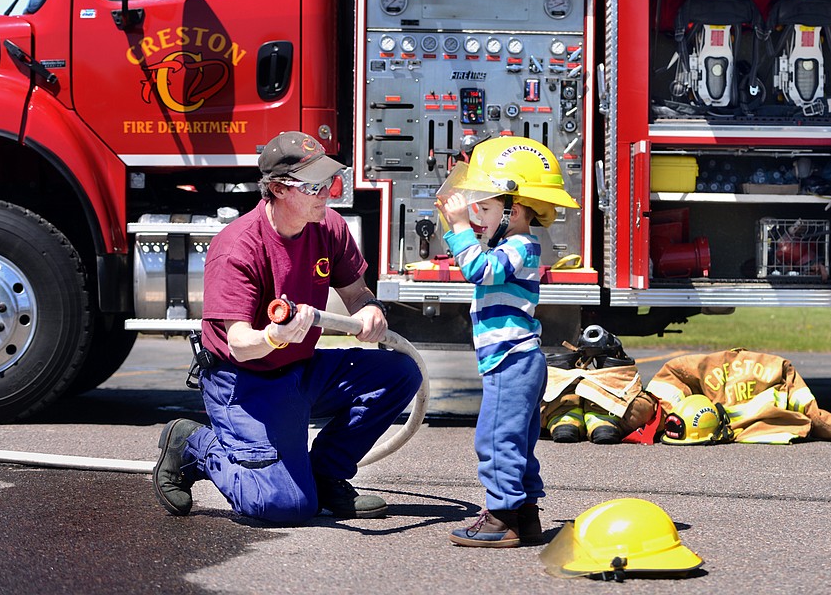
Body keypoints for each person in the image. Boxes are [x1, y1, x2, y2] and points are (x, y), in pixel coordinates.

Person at [152, 131, 423, 524]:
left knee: (400, 373)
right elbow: (241, 345)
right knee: (282, 505)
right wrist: (274, 336)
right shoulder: (237, 247)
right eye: (313, 185)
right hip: (245, 380)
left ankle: (326, 475)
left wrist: (370, 310)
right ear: (278, 189)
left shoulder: (328, 226)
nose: (326, 192)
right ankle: (194, 442)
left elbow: (357, 294)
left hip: (299, 368)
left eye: (329, 181)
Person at [434, 137, 580, 547]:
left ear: (513, 210)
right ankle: (526, 515)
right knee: (517, 440)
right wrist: (458, 228)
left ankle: (500, 518)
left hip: (512, 361)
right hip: (515, 360)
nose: (478, 213)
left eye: (486, 206)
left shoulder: (520, 246)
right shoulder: (513, 243)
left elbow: (478, 269)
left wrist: (461, 227)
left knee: (497, 439)